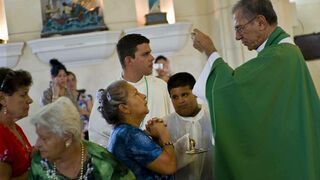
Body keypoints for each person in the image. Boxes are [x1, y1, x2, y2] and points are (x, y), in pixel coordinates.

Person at [191, 0, 320, 179]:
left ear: (260, 22)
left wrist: (210, 51)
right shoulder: (284, 52)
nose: (237, 37)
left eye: (239, 28)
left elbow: (231, 89)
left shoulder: (279, 56)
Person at [89, 34, 173, 147]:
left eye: (150, 52)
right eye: (145, 54)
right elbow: (98, 137)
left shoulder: (160, 86)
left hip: (162, 157)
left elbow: (173, 123)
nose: (152, 58)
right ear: (128, 60)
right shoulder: (108, 93)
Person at [29, 97, 135, 179]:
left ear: (67, 137)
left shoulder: (104, 164)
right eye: (38, 136)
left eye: (44, 138)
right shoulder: (39, 162)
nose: (37, 144)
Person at [98, 80, 176, 179]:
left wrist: (156, 138)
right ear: (124, 108)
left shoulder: (122, 132)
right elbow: (169, 166)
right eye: (136, 94)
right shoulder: (130, 135)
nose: (143, 95)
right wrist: (163, 133)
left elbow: (154, 164)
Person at [163, 72, 214, 180]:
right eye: (175, 97)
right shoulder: (164, 125)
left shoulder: (213, 117)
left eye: (184, 95)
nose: (180, 101)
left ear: (195, 92)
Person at [0, 68, 33, 179]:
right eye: (23, 95)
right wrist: (38, 168)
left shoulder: (15, 127)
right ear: (2, 99)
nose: (30, 100)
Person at [67, 71, 93, 140]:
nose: (71, 83)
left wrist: (84, 112)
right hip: (71, 133)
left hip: (86, 131)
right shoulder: (64, 99)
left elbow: (94, 117)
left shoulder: (85, 97)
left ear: (76, 81)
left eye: (73, 80)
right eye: (68, 80)